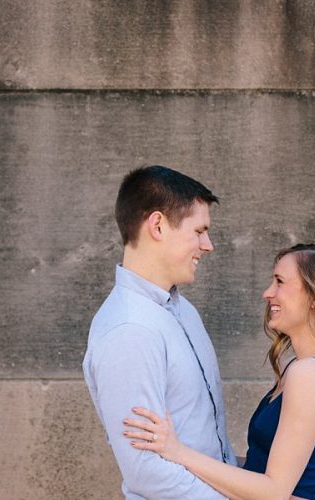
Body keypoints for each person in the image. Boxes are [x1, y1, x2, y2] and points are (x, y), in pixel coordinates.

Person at [124, 243, 315, 500]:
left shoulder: (311, 374)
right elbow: (265, 467)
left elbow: (273, 491)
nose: (267, 293)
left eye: (279, 282)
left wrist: (179, 452)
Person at [84, 165, 236, 499]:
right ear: (157, 225)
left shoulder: (183, 311)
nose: (207, 245)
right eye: (199, 231)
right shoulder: (129, 330)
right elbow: (145, 472)